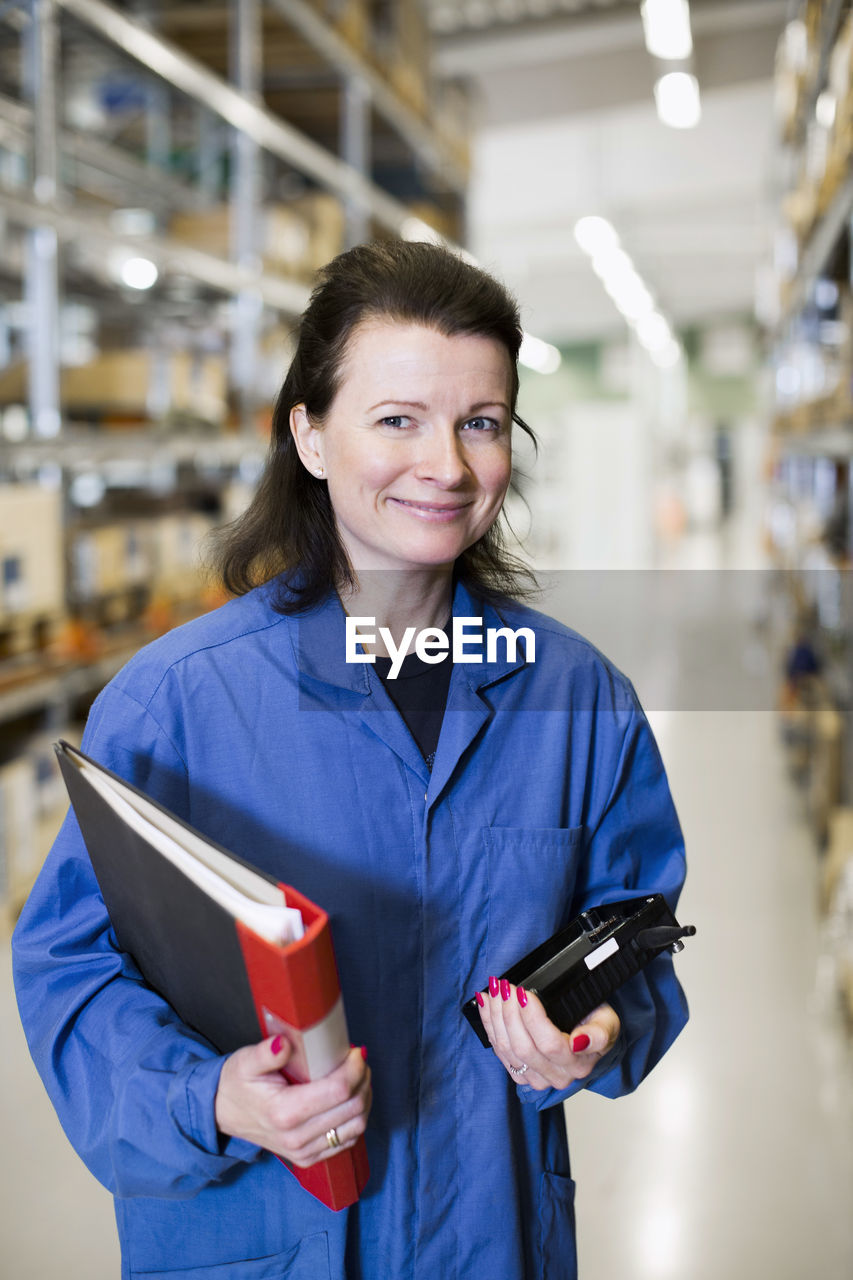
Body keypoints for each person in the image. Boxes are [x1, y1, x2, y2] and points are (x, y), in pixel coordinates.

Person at [12, 240, 688, 1280]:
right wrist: (211, 1095)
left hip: (488, 1235)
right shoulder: (177, 700)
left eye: (483, 422)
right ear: (311, 438)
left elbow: (638, 942)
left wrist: (595, 1026)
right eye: (397, 420)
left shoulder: (575, 697)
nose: (448, 464)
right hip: (263, 1234)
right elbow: (72, 965)